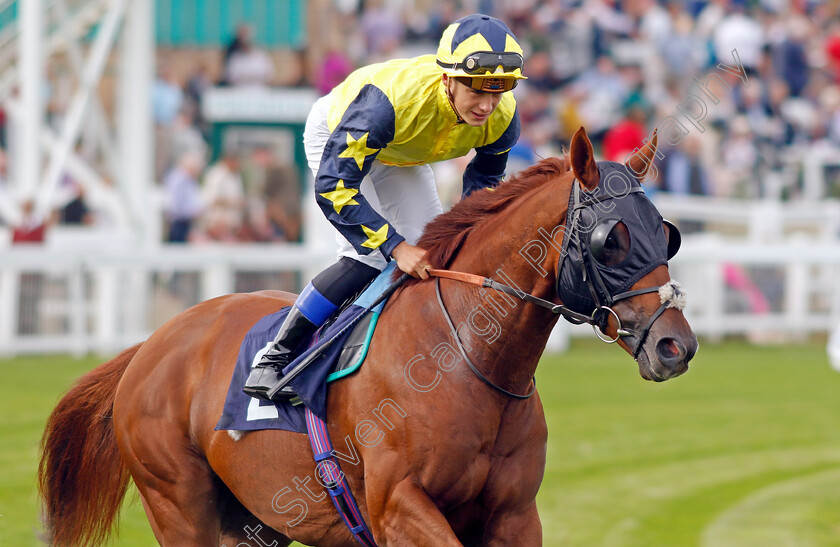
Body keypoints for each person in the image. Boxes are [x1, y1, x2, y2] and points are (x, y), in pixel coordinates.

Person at [244, 14, 526, 401]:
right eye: (477, 90)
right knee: (370, 257)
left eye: (499, 91)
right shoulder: (389, 104)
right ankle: (275, 358)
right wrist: (395, 246)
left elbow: (481, 187)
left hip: (399, 155)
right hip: (339, 137)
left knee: (438, 253)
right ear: (447, 79)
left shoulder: (503, 116)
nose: (487, 106)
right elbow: (335, 186)